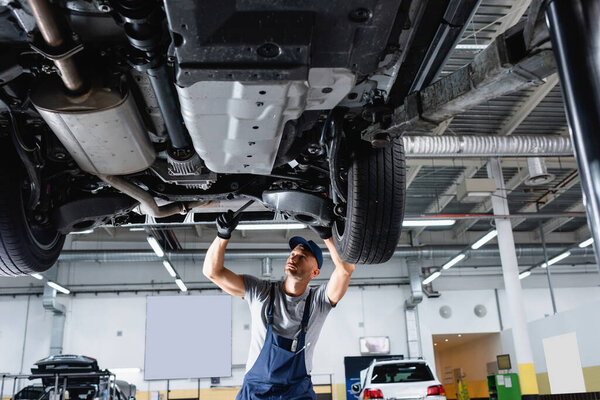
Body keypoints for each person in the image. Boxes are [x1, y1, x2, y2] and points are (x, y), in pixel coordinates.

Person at [202, 210, 355, 400]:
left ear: (314, 273)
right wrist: (222, 235)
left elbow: (345, 269)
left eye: (302, 256)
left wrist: (327, 234)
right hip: (255, 392)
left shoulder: (319, 301)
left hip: (297, 393)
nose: (294, 257)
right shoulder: (261, 292)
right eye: (292, 253)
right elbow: (212, 272)